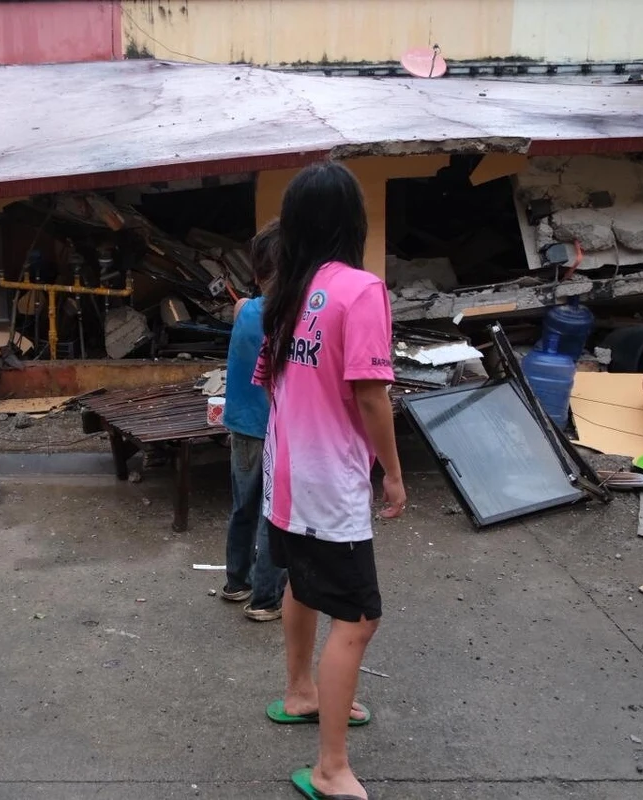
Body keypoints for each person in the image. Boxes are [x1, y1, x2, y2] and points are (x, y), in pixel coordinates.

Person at [255, 161, 406, 800]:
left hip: (284, 476)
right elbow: (371, 396)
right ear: (353, 219)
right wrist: (394, 475)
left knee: (302, 584)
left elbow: (271, 384)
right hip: (328, 485)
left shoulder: (287, 291)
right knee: (360, 617)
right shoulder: (359, 289)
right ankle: (331, 769)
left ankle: (300, 692)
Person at [221, 220, 287, 622]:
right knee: (274, 514)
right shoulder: (293, 318)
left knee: (243, 506)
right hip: (278, 428)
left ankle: (235, 582)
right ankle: (266, 599)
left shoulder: (242, 309)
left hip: (241, 426)